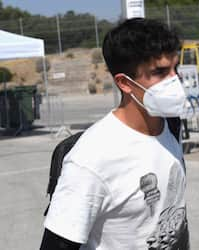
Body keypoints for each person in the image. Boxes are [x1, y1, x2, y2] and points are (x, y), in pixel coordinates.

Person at [40, 18, 190, 250]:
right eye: (160, 72)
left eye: (175, 69)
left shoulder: (170, 124)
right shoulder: (90, 158)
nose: (175, 81)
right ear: (124, 83)